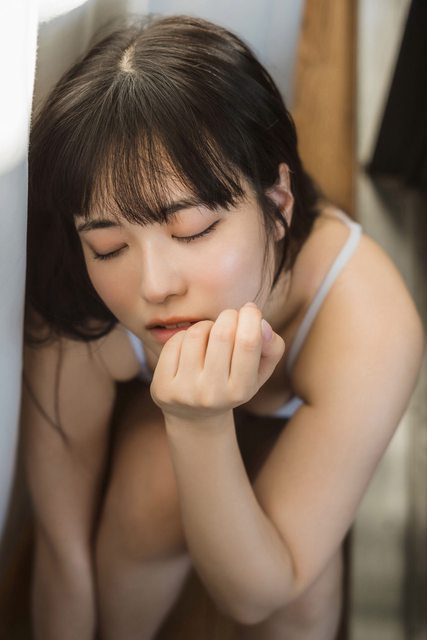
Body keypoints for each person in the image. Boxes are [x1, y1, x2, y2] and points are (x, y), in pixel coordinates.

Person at [21, 14, 424, 640]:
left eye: (192, 231)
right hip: (158, 438)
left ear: (278, 204)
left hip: (293, 444)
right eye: (108, 246)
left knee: (305, 600)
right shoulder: (83, 295)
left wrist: (199, 424)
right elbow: (63, 554)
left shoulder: (368, 321)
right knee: (150, 492)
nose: (154, 286)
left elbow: (259, 595)